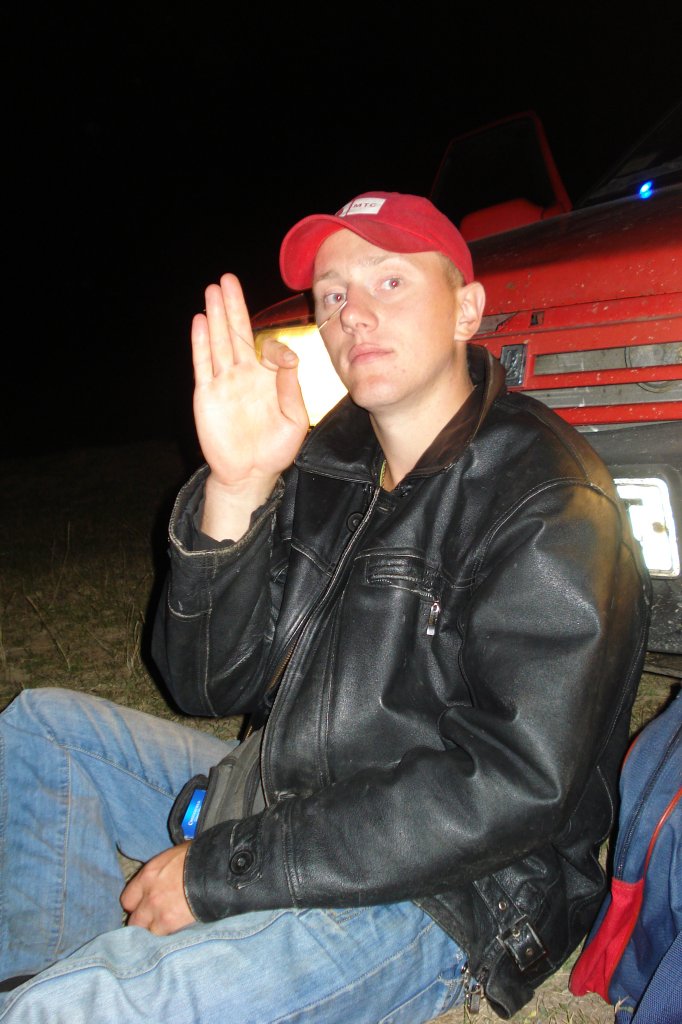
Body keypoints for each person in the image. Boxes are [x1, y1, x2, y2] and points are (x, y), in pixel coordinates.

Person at [0, 192, 651, 1023]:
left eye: (390, 281)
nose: (353, 314)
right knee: (42, 734)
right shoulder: (329, 460)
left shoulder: (550, 495)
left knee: (78, 1010)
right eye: (334, 294)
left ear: (467, 309)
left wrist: (224, 870)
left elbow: (515, 785)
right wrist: (238, 488)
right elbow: (206, 686)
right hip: (297, 801)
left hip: (443, 890)